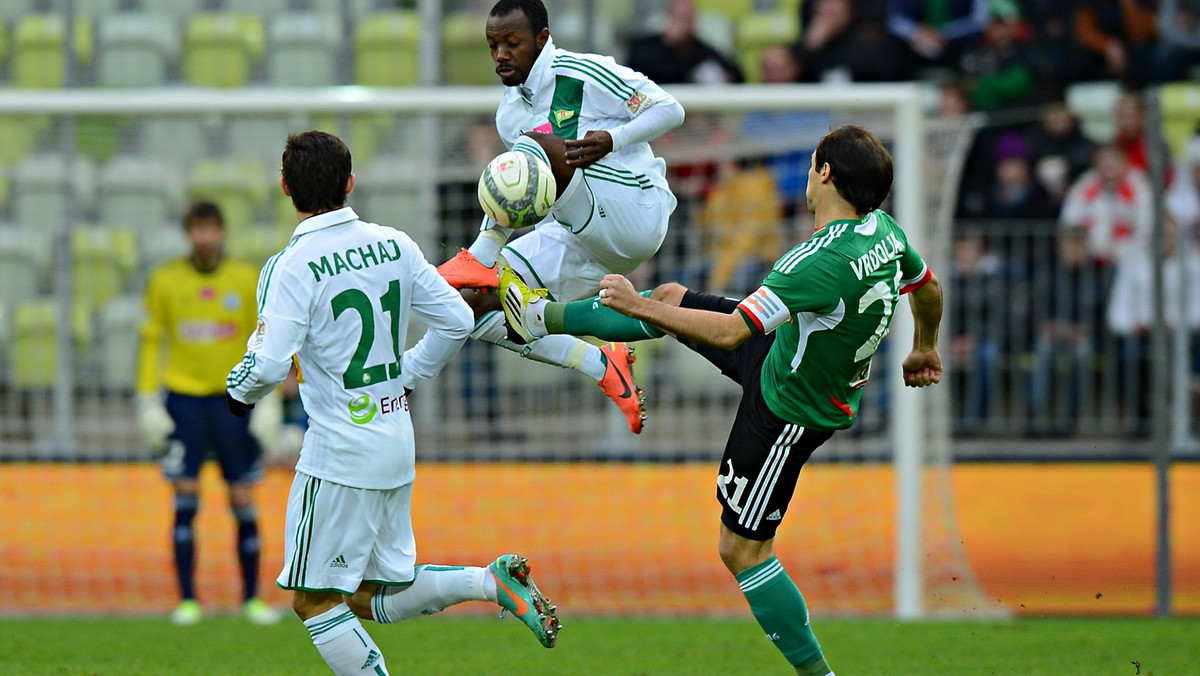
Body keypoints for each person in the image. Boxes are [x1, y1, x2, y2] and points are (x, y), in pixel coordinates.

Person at [500, 125, 943, 675]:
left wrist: (635, 309)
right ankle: (536, 317)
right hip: (784, 351)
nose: (807, 174)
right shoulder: (885, 232)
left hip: (788, 409)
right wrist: (923, 348)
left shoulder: (813, 261)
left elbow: (732, 333)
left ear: (824, 173)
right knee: (671, 299)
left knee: (742, 551)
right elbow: (927, 287)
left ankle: (819, 675)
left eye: (810, 164)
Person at [225, 130, 561, 675]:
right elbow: (456, 317)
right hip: (395, 440)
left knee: (313, 600)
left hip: (338, 455)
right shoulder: (394, 243)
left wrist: (236, 394)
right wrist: (411, 370)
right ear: (351, 183)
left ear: (285, 187)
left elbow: (265, 365)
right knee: (370, 594)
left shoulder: (289, 265)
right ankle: (488, 581)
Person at [436, 0, 686, 434]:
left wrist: (613, 137)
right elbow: (527, 191)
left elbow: (670, 109)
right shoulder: (508, 112)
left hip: (634, 209)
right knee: (467, 309)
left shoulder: (585, 72)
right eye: (493, 45)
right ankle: (601, 364)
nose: (500, 55)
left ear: (542, 39)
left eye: (512, 43)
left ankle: (481, 252)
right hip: (575, 233)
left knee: (542, 142)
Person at [135, 200, 283, 626]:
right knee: (184, 494)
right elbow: (150, 341)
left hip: (231, 399)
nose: (204, 238)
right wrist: (147, 399)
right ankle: (187, 599)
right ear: (187, 234)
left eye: (210, 229)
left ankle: (251, 598)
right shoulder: (165, 281)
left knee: (242, 495)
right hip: (183, 400)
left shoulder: (243, 278)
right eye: (197, 230)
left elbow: (262, 339)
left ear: (221, 233)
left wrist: (267, 397)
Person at [626, 0, 745, 85]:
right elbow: (636, 73)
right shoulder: (645, 47)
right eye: (680, 18)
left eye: (689, 19)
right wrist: (669, 44)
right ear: (668, 18)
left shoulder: (701, 49)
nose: (685, 26)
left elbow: (736, 75)